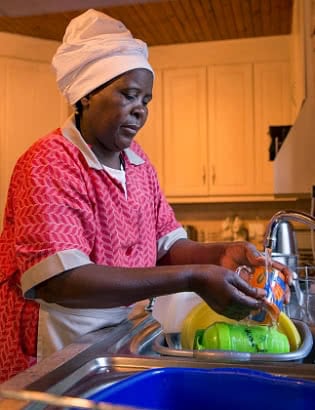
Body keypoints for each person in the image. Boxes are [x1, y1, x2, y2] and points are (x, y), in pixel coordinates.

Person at [0, 9, 292, 382]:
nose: (140, 109)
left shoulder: (138, 164)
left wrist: (220, 254)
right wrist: (193, 278)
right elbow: (62, 281)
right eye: (129, 94)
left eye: (146, 100)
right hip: (56, 350)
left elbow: (167, 244)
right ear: (87, 94)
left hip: (118, 337)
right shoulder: (48, 163)